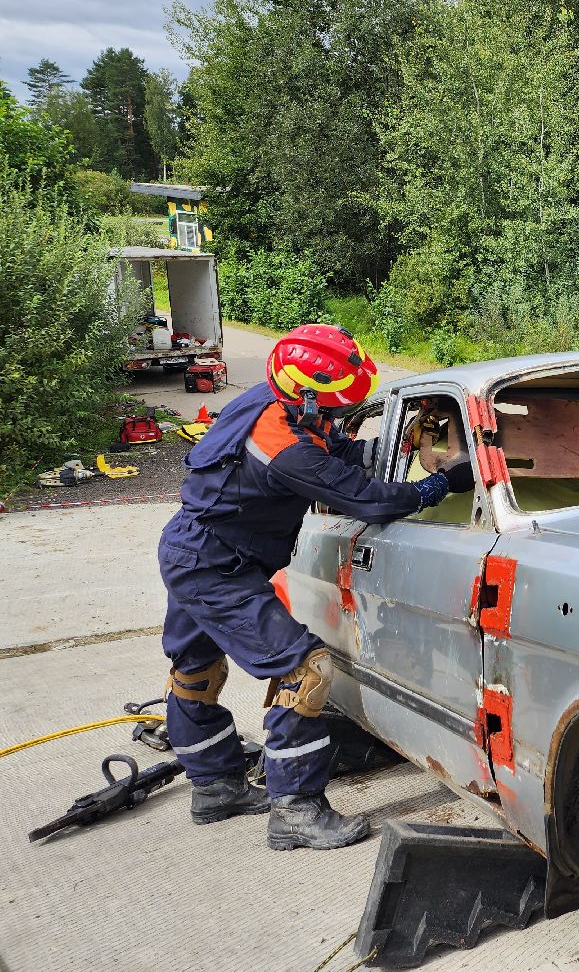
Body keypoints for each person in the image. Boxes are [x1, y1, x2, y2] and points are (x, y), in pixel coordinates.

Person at [156, 324, 475, 849]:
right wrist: (441, 482)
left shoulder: (273, 397)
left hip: (194, 547)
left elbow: (331, 447)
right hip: (217, 566)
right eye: (331, 402)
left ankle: (215, 788)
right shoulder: (284, 445)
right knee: (305, 669)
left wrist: (399, 441)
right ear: (304, 389)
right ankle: (296, 810)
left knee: (195, 670)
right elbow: (369, 500)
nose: (334, 411)